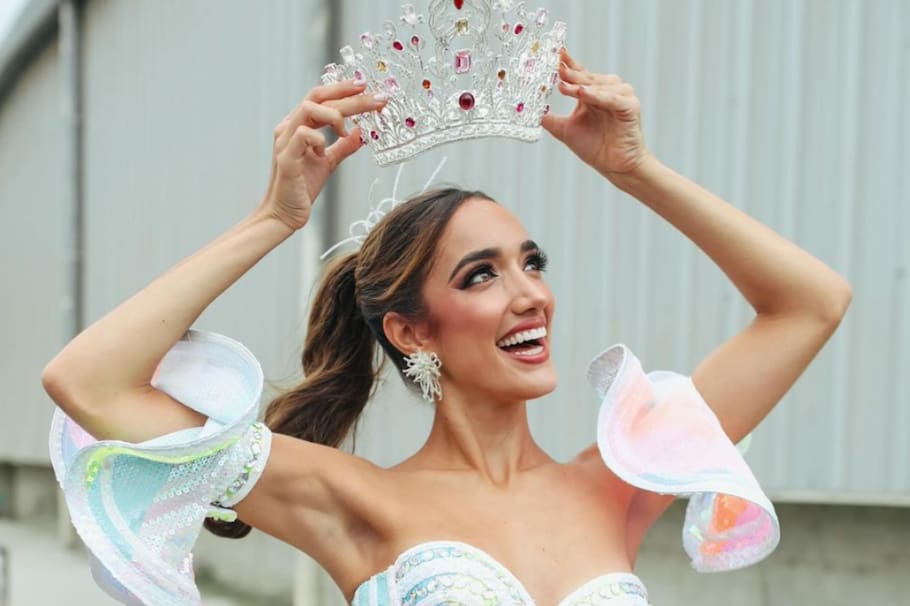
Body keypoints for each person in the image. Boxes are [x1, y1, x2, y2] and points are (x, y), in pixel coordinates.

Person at [42, 49, 851, 606]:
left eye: (532, 263)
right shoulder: (355, 500)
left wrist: (637, 171)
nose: (530, 295)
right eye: (481, 275)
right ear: (412, 333)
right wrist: (272, 219)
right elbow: (88, 383)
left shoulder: (619, 481)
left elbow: (812, 303)